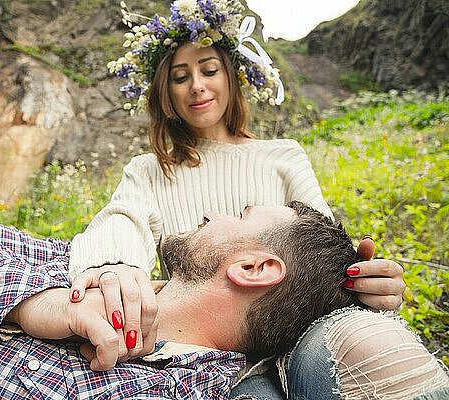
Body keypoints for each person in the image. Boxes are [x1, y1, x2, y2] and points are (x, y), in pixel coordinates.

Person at [66, 0, 405, 366]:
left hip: (277, 343)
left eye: (209, 70)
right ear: (167, 98)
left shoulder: (283, 155)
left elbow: (315, 244)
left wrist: (364, 285)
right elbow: (122, 217)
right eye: (180, 77)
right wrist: (115, 264)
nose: (197, 86)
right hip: (191, 346)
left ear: (232, 78)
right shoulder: (149, 169)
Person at [0, 203, 447, 399]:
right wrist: (39, 303)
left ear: (255, 267)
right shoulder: (90, 272)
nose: (213, 211)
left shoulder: (174, 389)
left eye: (238, 215)